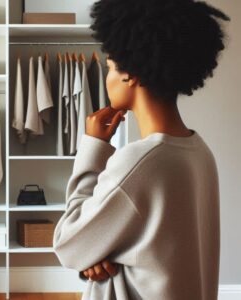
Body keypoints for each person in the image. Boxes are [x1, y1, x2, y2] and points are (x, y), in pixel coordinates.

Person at [52, 0, 230, 299]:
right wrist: (96, 253)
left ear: (130, 74)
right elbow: (154, 245)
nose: (107, 77)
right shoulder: (199, 152)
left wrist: (93, 147)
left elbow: (68, 245)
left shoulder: (139, 162)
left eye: (109, 67)